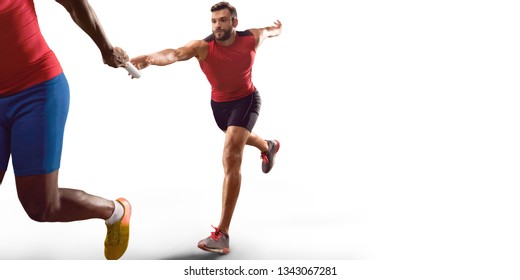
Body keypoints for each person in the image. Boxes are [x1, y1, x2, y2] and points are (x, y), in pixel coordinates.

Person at [130, 1, 281, 254]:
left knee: (231, 155)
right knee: (239, 138)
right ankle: (269, 146)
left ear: (234, 22)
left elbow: (268, 31)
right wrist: (149, 59)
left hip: (247, 100)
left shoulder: (250, 39)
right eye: (214, 21)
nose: (217, 25)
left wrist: (277, 28)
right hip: (220, 106)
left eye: (222, 20)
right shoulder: (202, 47)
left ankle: (222, 234)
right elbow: (175, 53)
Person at [0, 0, 132, 260]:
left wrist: (106, 49)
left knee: (42, 207)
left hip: (36, 92)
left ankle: (115, 212)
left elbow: (74, 3)